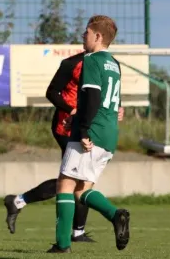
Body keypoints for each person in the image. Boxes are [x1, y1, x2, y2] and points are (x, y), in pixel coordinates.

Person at [4, 52, 124, 242]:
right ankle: (71, 232)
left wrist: (118, 106)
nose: (86, 37)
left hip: (90, 126)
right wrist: (73, 110)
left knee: (79, 180)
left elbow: (108, 91)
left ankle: (20, 203)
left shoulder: (108, 63)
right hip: (66, 126)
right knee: (72, 180)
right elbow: (52, 93)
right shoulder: (72, 63)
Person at [48, 15, 130, 253]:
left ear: (98, 36)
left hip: (91, 131)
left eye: (86, 32)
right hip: (109, 133)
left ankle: (63, 245)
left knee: (65, 183)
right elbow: (111, 99)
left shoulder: (92, 59)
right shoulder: (114, 63)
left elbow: (93, 97)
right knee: (81, 188)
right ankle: (115, 216)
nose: (82, 36)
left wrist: (83, 129)